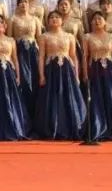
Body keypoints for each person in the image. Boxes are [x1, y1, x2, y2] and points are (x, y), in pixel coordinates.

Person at [36, 11, 85, 140]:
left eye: (57, 17)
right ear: (48, 21)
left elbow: (73, 56)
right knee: (51, 97)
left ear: (62, 20)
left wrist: (76, 75)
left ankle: (70, 127)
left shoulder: (70, 37)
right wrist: (41, 75)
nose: (54, 19)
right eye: (51, 17)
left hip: (67, 70)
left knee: (68, 96)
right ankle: (52, 127)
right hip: (51, 70)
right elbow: (41, 57)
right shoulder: (44, 37)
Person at [82, 12, 112, 141]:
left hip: (110, 70)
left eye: (100, 19)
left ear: (105, 22)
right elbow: (85, 57)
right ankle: (99, 128)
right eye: (94, 19)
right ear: (91, 22)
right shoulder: (87, 37)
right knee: (96, 98)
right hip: (95, 69)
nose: (97, 21)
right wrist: (85, 74)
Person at [9, 0, 43, 120]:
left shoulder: (35, 20)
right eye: (21, 2)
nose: (23, 4)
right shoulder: (12, 19)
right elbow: (10, 38)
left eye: (26, 1)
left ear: (29, 4)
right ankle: (23, 115)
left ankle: (35, 115)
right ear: (17, 4)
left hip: (33, 52)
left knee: (34, 80)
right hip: (19, 52)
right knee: (23, 81)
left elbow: (39, 38)